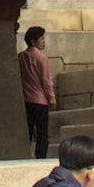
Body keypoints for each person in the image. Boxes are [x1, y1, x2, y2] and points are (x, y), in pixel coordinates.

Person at [19, 26, 56, 159]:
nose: (44, 41)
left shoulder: (21, 57)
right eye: (41, 38)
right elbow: (46, 80)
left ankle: (24, 154)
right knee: (42, 132)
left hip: (26, 99)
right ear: (33, 41)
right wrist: (51, 98)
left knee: (28, 130)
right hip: (41, 100)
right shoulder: (42, 58)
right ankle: (40, 156)